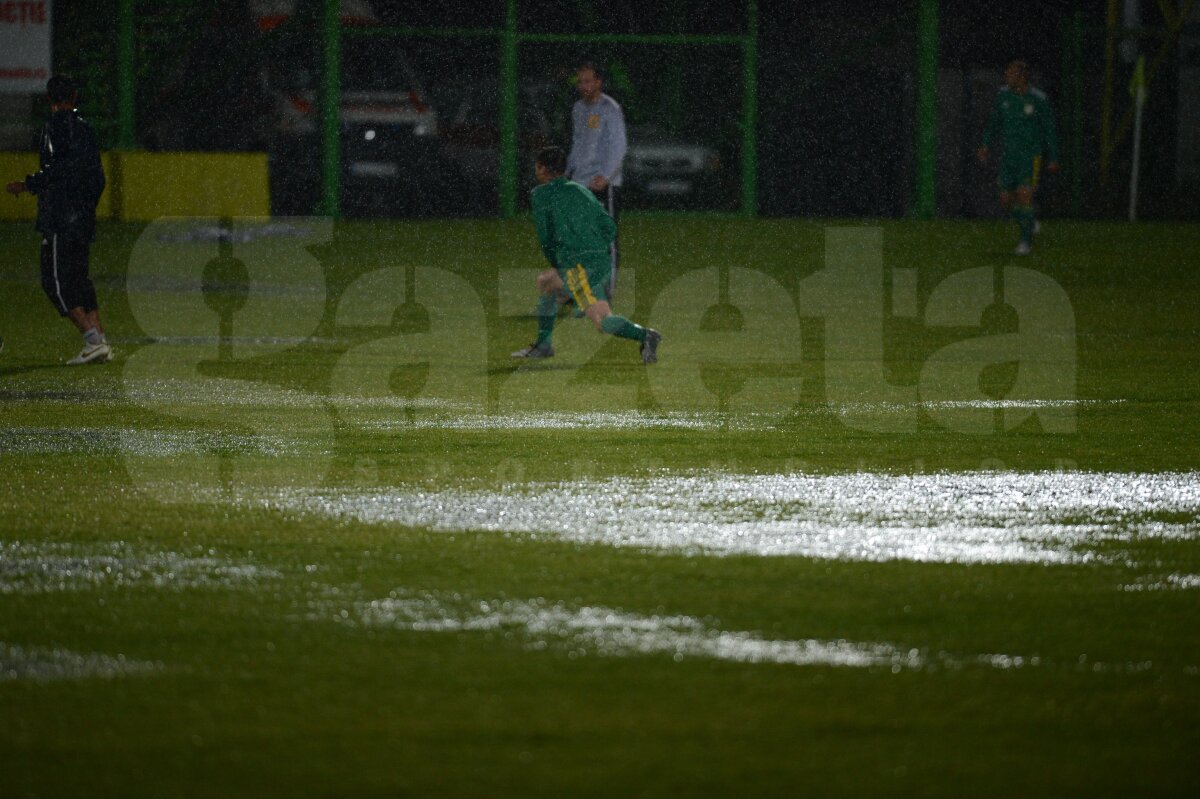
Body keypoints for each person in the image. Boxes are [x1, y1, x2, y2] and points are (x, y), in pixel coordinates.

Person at [512, 146, 659, 364]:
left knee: (601, 319)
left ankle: (646, 335)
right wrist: (593, 245)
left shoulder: (541, 195)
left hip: (576, 264)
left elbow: (546, 237)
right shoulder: (579, 189)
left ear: (542, 169)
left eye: (537, 167)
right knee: (547, 283)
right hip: (599, 260)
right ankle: (543, 345)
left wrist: (560, 262)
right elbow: (608, 225)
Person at [5, 74, 111, 364]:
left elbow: (57, 170)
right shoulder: (86, 129)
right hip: (83, 217)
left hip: (60, 218)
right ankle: (100, 340)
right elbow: (97, 177)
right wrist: (86, 206)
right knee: (79, 278)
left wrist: (27, 185)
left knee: (54, 282)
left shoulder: (53, 128)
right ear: (74, 96)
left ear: (50, 100)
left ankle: (90, 339)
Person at [977, 60, 1059, 256]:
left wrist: (1053, 157)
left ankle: (1024, 243)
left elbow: (1049, 130)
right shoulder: (1003, 96)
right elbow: (994, 123)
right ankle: (1029, 222)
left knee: (1024, 195)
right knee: (1005, 200)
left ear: (1022, 76)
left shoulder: (1038, 99)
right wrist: (985, 145)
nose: (1007, 77)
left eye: (1011, 74)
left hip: (1030, 157)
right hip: (1009, 157)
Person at [566, 62, 626, 296]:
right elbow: (578, 144)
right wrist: (568, 172)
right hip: (580, 183)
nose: (583, 86)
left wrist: (606, 175)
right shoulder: (578, 109)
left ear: (599, 82)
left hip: (603, 184)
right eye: (580, 81)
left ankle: (606, 290)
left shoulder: (609, 108)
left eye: (588, 81)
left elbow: (619, 146)